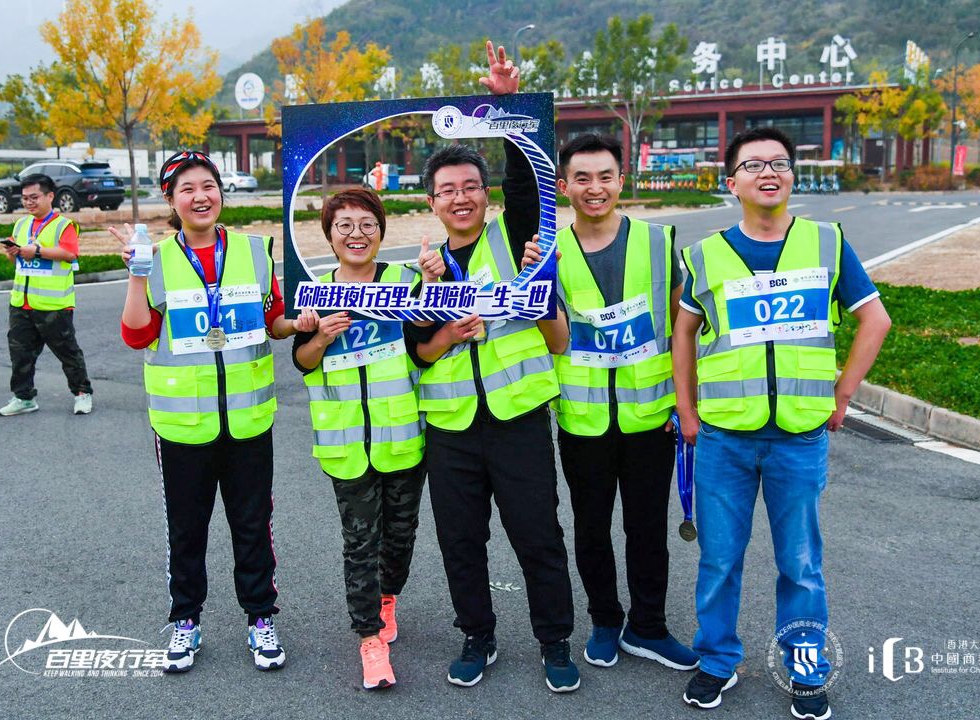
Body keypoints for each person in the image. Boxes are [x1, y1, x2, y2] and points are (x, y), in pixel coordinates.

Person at [672, 127, 891, 718]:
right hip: (724, 438)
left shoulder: (827, 243)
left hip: (798, 437)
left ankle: (806, 668)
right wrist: (687, 410)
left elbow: (875, 320)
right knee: (719, 559)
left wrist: (843, 395)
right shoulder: (705, 255)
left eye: (779, 163)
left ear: (792, 176)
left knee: (801, 563)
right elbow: (684, 333)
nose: (768, 172)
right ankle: (717, 661)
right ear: (731, 183)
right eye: (753, 165)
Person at [406, 41, 579, 693]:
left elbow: (528, 179)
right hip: (451, 426)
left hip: (518, 417)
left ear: (485, 194)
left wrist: (508, 108)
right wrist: (443, 324)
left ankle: (554, 641)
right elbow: (417, 351)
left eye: (470, 187)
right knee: (461, 542)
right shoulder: (421, 269)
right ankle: (477, 636)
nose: (460, 198)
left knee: (538, 536)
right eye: (447, 190)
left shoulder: (516, 239)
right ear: (432, 201)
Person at [115, 150, 308, 673]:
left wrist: (300, 323)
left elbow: (274, 320)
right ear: (170, 200)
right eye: (187, 189)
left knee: (253, 526)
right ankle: (186, 620)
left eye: (208, 186)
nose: (200, 197)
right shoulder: (155, 258)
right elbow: (136, 335)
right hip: (183, 424)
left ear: (220, 192)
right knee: (186, 529)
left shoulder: (253, 250)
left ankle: (261, 618)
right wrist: (136, 275)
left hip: (248, 420)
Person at [521, 132, 698, 672]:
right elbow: (555, 339)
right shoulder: (547, 251)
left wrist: (685, 404)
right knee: (591, 528)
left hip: (650, 417)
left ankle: (649, 627)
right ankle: (604, 620)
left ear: (622, 181)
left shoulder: (658, 241)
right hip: (584, 418)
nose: (594, 188)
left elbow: (681, 329)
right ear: (563, 186)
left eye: (605, 177)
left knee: (647, 530)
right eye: (582, 178)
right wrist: (536, 282)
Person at [292, 188, 444, 690]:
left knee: (400, 535)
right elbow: (303, 361)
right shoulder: (314, 291)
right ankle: (369, 638)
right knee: (360, 542)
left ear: (380, 230)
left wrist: (430, 287)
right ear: (329, 235)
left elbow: (423, 342)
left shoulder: (403, 281)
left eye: (366, 224)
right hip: (345, 442)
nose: (356, 234)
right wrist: (320, 336)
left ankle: (387, 597)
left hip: (402, 436)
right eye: (344, 225)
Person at [0, 174, 93, 416]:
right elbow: (17, 259)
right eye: (24, 198)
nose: (28, 202)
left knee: (67, 352)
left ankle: (82, 393)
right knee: (20, 353)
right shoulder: (21, 225)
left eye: (34, 197)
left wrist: (37, 251)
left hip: (54, 304)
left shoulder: (64, 225)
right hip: (21, 302)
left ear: (50, 196)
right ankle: (23, 397)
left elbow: (70, 253)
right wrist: (12, 252)